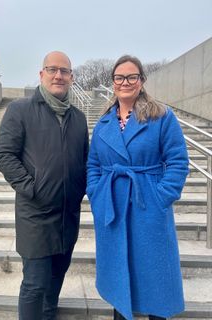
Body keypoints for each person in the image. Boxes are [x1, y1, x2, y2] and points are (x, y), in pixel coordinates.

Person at [86, 55, 189, 320]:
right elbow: (93, 165)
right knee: (120, 276)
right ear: (113, 82)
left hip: (148, 205)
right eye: (120, 77)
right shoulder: (104, 123)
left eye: (132, 76)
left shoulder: (161, 116)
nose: (125, 82)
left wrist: (160, 197)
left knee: (156, 278)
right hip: (114, 207)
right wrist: (97, 196)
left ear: (142, 81)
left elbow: (178, 161)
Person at [0, 51, 89, 320]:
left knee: (57, 277)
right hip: (35, 215)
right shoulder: (20, 110)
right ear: (41, 74)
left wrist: (78, 189)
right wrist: (31, 187)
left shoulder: (79, 118)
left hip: (67, 215)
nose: (58, 75)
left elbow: (84, 159)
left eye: (64, 71)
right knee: (35, 284)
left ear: (71, 77)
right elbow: (3, 154)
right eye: (52, 69)